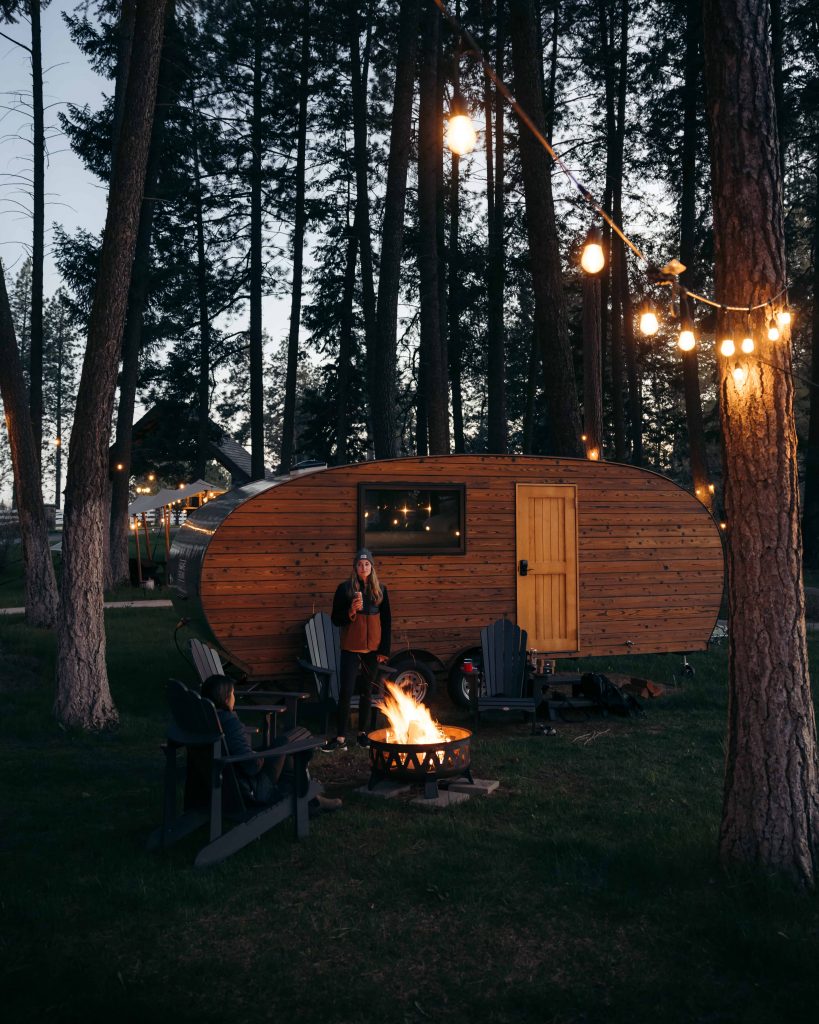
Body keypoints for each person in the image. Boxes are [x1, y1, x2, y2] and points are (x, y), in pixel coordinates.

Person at [200, 675, 340, 813]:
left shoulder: (206, 720)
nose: (234, 698)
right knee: (284, 744)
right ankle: (311, 798)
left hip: (226, 782)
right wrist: (260, 756)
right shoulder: (229, 723)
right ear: (226, 699)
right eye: (232, 694)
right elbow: (252, 767)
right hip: (252, 791)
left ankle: (312, 800)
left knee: (283, 749)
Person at [325, 547, 391, 751]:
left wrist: (384, 651)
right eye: (360, 564)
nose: (363, 567)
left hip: (372, 651)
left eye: (367, 564)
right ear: (355, 567)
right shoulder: (344, 589)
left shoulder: (381, 590)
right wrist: (351, 611)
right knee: (345, 692)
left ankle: (362, 734)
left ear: (371, 567)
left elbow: (387, 621)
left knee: (367, 693)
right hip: (351, 649)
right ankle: (341, 737)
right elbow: (336, 620)